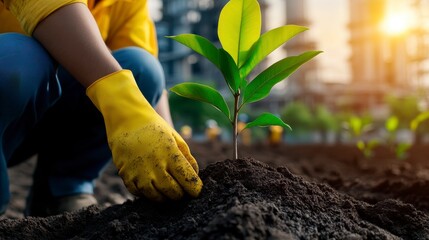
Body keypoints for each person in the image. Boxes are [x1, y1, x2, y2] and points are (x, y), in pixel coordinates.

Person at [0, 0, 203, 217]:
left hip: (40, 111)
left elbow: (146, 72)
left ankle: (60, 192)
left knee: (141, 68)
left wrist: (169, 144)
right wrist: (120, 96)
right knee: (20, 60)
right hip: (10, 101)